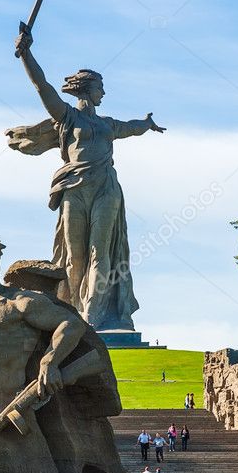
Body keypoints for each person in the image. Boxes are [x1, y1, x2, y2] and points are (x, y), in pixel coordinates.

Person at [11, 31, 165, 331]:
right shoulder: (67, 117)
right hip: (74, 189)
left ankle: (92, 318)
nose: (104, 94)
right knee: (74, 256)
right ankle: (72, 315)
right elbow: (42, 86)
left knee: (100, 251)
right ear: (87, 89)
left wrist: (147, 123)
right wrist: (27, 54)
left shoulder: (106, 124)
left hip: (105, 187)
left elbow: (131, 128)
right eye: (101, 88)